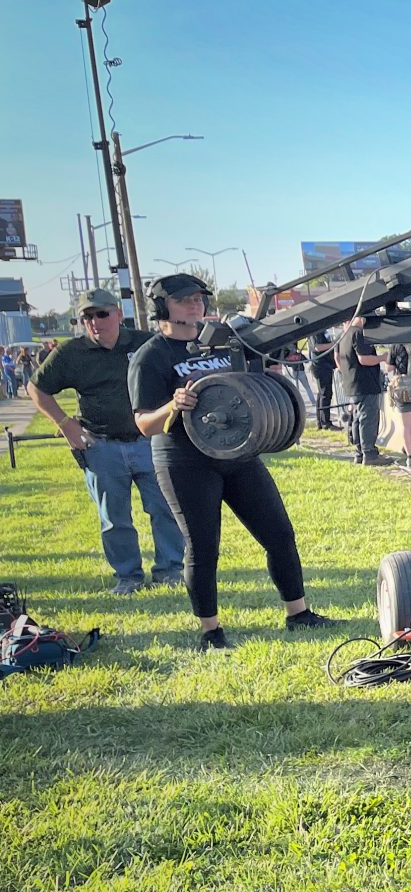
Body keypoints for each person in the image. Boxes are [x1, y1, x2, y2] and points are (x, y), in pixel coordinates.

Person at [126, 274, 333, 650]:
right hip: (185, 461)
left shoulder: (225, 340)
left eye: (198, 298)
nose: (194, 304)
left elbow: (261, 374)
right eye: (184, 299)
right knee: (203, 547)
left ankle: (298, 614)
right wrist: (174, 405)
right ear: (162, 307)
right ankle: (211, 631)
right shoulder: (151, 356)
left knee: (280, 535)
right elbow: (143, 424)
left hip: (239, 455)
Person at [26, 289, 186, 595]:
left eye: (101, 314)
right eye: (87, 316)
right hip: (101, 445)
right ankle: (128, 576)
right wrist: (65, 424)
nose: (94, 322)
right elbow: (38, 389)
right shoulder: (71, 353)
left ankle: (170, 569)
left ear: (117, 313)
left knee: (164, 508)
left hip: (149, 441)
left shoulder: (144, 343)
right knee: (114, 518)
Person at [333, 315, 388, 465]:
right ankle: (369, 453)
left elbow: (337, 357)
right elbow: (364, 359)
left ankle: (359, 452)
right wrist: (382, 357)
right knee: (368, 418)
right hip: (365, 383)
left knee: (357, 418)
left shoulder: (343, 334)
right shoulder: (358, 333)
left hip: (351, 383)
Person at [307, 328, 338, 430]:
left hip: (326, 365)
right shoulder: (315, 331)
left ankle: (321, 422)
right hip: (320, 365)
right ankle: (325, 423)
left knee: (322, 394)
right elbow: (317, 347)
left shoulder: (323, 331)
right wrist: (333, 343)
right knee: (325, 394)